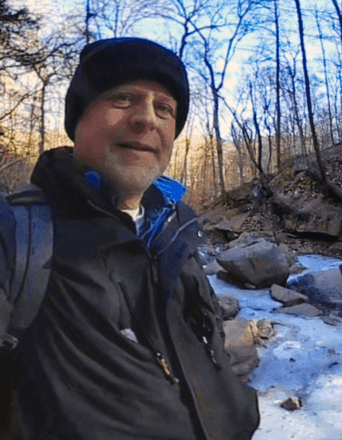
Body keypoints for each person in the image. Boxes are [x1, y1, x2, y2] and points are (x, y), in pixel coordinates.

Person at [0, 38, 259, 439]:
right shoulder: (16, 235)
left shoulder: (177, 233)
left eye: (165, 109)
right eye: (123, 98)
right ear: (79, 118)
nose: (147, 119)